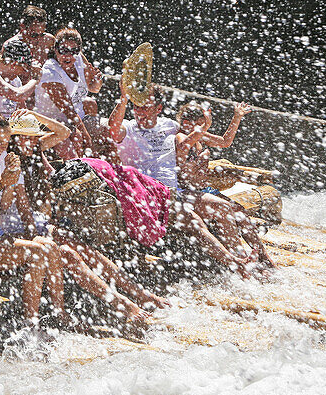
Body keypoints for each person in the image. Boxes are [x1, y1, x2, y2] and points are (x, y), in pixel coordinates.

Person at [0, 103, 156, 333]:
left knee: (53, 247)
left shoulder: (5, 159)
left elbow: (2, 208)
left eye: (4, 143)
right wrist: (4, 183)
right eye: (0, 143)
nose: (2, 148)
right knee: (45, 250)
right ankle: (31, 325)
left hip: (0, 234)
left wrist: (9, 184)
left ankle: (61, 314)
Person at [106, 86, 265, 277]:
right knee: (193, 220)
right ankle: (237, 265)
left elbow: (213, 140)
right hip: (146, 195)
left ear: (158, 108)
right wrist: (123, 98)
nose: (139, 111)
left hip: (174, 193)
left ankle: (243, 258)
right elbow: (113, 130)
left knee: (223, 207)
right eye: (136, 106)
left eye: (145, 107)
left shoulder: (171, 126)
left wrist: (213, 125)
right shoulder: (129, 128)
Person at [174, 101, 273, 268]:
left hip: (204, 189)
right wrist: (205, 126)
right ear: (184, 122)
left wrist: (237, 116)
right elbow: (184, 147)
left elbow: (225, 141)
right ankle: (239, 257)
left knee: (240, 211)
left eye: (200, 123)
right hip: (185, 191)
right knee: (224, 208)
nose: (198, 126)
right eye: (195, 123)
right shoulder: (181, 137)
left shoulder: (199, 134)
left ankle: (264, 257)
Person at [34, 28, 103, 158]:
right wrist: (87, 139)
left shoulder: (79, 60)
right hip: (51, 121)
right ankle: (82, 171)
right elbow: (68, 111)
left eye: (74, 51)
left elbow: (94, 88)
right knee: (77, 136)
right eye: (64, 50)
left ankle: (113, 170)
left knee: (104, 131)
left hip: (72, 116)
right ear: (55, 49)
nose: (68, 56)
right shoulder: (50, 72)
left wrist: (98, 80)